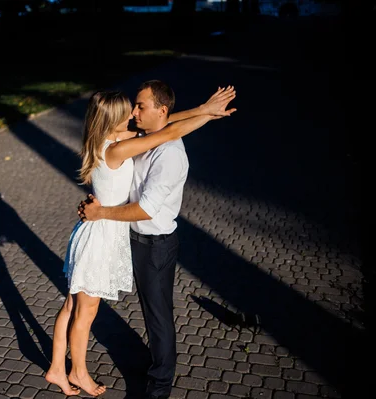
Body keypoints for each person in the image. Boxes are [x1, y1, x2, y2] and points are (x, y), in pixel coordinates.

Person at [45, 85, 236, 396]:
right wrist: (208, 115)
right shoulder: (117, 148)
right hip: (101, 234)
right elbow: (165, 133)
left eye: (135, 109)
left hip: (94, 231)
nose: (133, 114)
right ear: (114, 120)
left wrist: (204, 109)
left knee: (72, 305)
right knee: (85, 313)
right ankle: (77, 372)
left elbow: (166, 123)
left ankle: (56, 367)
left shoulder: (111, 140)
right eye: (127, 112)